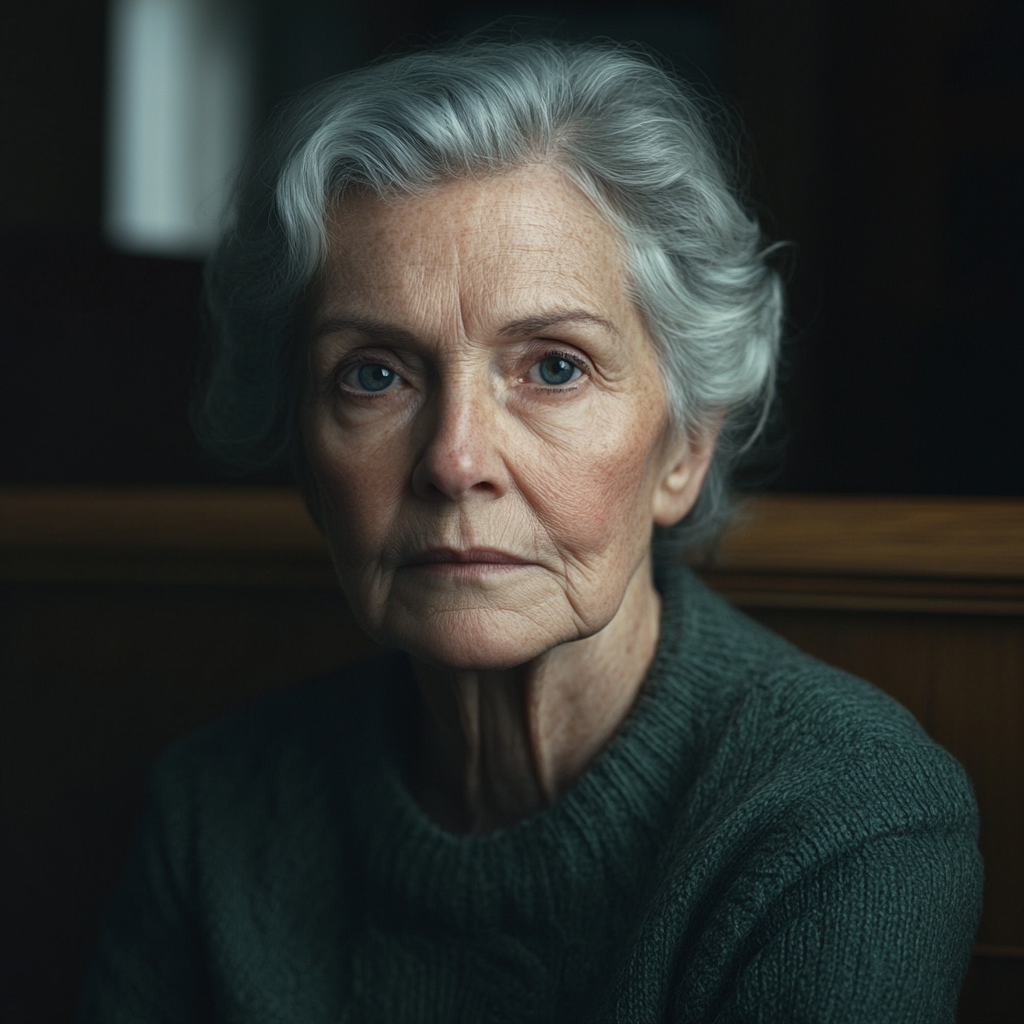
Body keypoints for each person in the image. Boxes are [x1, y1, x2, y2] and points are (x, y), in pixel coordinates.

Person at [79, 39, 981, 1023]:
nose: (454, 458)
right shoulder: (214, 807)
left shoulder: (839, 815)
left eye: (553, 367)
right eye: (374, 373)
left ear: (682, 447)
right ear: (301, 452)